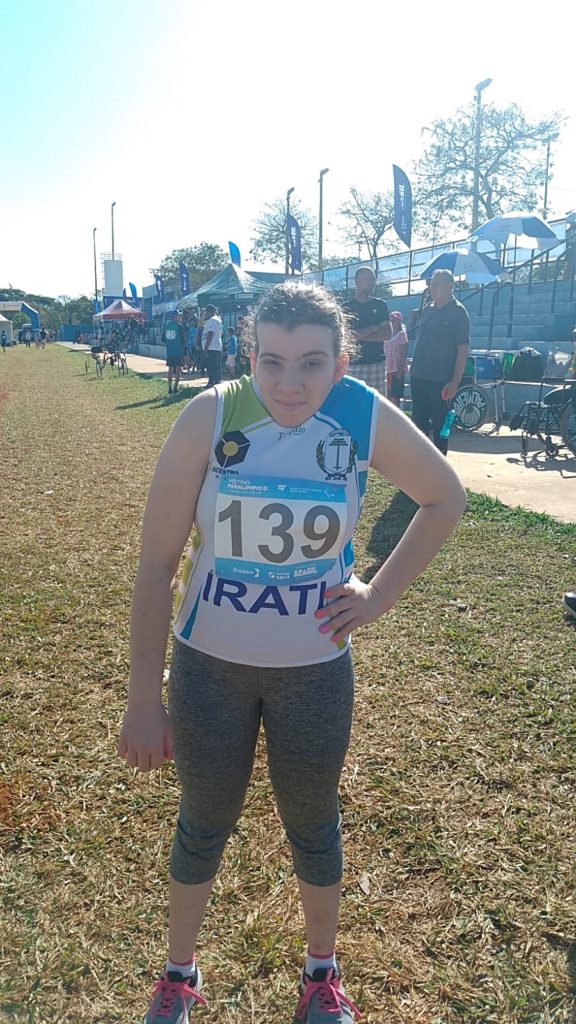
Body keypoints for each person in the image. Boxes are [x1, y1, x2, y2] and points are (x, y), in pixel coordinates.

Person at [118, 281, 467, 1024]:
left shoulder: (360, 415)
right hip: (210, 665)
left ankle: (321, 975)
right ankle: (178, 974)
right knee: (203, 819)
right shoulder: (210, 416)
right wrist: (142, 700)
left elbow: (446, 496)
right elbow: (155, 566)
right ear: (249, 359)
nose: (289, 383)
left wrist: (378, 594)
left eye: (311, 363)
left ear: (341, 363)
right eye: (272, 362)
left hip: (313, 671)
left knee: (312, 821)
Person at [409, 269, 470, 454]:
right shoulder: (428, 308)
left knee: (440, 424)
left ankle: (440, 462)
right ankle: (417, 461)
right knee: (418, 423)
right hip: (419, 375)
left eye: (436, 285)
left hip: (441, 380)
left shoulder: (458, 312)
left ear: (450, 286)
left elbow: (462, 349)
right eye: (431, 285)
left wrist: (455, 382)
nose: (431, 289)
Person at [343, 267, 391, 394]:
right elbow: (347, 336)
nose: (372, 282)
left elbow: (387, 333)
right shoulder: (346, 307)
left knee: (377, 403)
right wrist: (374, 328)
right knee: (353, 402)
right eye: (369, 279)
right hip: (353, 365)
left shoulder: (380, 305)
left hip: (377, 364)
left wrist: (360, 335)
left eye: (373, 279)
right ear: (358, 281)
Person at [384, 311, 408, 407]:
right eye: (390, 320)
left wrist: (400, 370)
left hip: (396, 370)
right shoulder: (386, 336)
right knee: (388, 396)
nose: (392, 322)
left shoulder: (401, 335)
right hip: (388, 370)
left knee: (395, 397)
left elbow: (403, 354)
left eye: (394, 320)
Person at [163, 310, 186, 394]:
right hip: (178, 351)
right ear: (175, 316)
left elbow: (163, 339)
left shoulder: (166, 326)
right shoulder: (179, 326)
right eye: (179, 315)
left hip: (170, 351)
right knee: (178, 369)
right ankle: (175, 387)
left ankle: (169, 387)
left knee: (170, 369)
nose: (180, 317)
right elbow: (183, 340)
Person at [201, 303, 223, 388]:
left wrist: (206, 348)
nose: (206, 313)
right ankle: (217, 381)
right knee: (215, 365)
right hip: (215, 346)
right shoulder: (216, 320)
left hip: (211, 347)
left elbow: (210, 334)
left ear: (211, 311)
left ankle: (211, 382)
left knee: (211, 366)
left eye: (207, 311)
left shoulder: (213, 320)